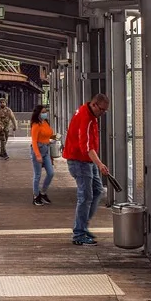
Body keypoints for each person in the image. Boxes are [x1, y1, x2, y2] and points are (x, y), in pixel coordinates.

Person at [62, 93, 110, 245]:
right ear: (95, 104)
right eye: (102, 110)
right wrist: (100, 164)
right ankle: (79, 234)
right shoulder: (86, 118)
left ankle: (82, 226)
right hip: (80, 162)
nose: (102, 113)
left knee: (98, 191)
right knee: (85, 197)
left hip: (86, 162)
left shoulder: (88, 112)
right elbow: (86, 147)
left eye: (105, 111)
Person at [29, 105, 54, 206]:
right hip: (38, 150)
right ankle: (36, 196)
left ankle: (43, 192)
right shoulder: (35, 125)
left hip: (46, 150)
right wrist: (38, 155)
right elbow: (34, 141)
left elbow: (48, 135)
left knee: (51, 173)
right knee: (37, 175)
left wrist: (54, 138)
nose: (45, 114)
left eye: (45, 111)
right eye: (43, 112)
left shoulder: (45, 123)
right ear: (38, 114)